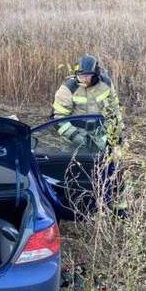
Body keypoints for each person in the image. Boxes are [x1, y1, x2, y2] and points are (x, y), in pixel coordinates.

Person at [51, 53, 127, 215]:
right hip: (76, 138)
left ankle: (116, 207)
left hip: (101, 136)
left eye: (87, 76)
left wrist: (118, 133)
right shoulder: (68, 88)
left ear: (96, 74)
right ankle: (72, 208)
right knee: (72, 173)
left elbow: (114, 110)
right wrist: (76, 137)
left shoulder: (105, 83)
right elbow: (57, 119)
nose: (84, 79)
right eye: (81, 76)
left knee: (112, 169)